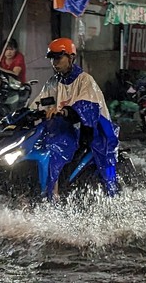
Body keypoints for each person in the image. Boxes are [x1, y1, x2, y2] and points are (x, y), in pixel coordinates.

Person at [32, 37, 120, 197]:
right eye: (52, 58)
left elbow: (87, 106)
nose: (54, 62)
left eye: (58, 57)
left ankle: (53, 199)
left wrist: (66, 112)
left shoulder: (85, 80)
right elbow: (37, 103)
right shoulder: (53, 82)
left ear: (71, 57)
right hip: (64, 128)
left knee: (53, 153)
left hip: (91, 131)